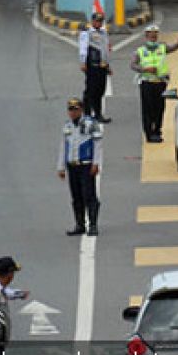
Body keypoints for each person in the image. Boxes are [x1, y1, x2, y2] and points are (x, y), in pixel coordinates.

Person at [130, 25, 178, 143]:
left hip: (160, 83)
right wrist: (145, 69)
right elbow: (133, 65)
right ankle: (149, 133)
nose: (153, 36)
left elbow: (174, 47)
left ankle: (157, 131)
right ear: (146, 35)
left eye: (155, 33)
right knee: (147, 109)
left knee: (159, 108)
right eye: (151, 33)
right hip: (147, 82)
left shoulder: (162, 47)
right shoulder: (140, 51)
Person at [58, 98, 103, 236]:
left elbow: (98, 144)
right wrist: (61, 166)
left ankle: (93, 224)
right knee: (76, 196)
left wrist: (96, 163)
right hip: (72, 165)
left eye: (75, 109)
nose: (72, 112)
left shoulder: (91, 124)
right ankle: (80, 224)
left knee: (89, 195)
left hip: (86, 164)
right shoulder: (67, 126)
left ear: (81, 110)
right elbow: (63, 146)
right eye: (70, 110)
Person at [78, 12, 111, 123]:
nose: (98, 23)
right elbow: (83, 48)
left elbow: (105, 50)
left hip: (102, 66)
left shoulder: (104, 32)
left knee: (100, 90)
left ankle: (97, 114)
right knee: (91, 90)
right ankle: (87, 114)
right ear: (92, 21)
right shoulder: (87, 33)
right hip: (92, 65)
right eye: (96, 21)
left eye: (100, 21)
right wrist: (83, 62)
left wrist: (107, 65)